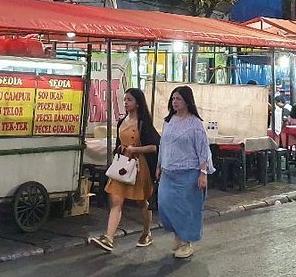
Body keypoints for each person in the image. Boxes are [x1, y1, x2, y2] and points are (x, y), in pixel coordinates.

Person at [90, 88, 160, 253]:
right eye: (125, 100)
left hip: (138, 166)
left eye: (129, 99)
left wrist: (136, 150)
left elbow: (155, 146)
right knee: (116, 201)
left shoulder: (144, 123)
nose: (126, 102)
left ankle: (146, 232)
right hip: (122, 163)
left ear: (137, 102)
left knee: (141, 201)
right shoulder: (122, 121)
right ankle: (109, 237)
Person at [157, 86, 214, 259]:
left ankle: (186, 242)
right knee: (165, 204)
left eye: (178, 99)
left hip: (188, 172)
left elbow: (202, 150)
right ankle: (178, 234)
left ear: (187, 101)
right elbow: (163, 145)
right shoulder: (169, 121)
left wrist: (203, 173)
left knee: (185, 209)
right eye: (173, 98)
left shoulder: (195, 124)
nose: (175, 102)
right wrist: (159, 164)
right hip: (168, 171)